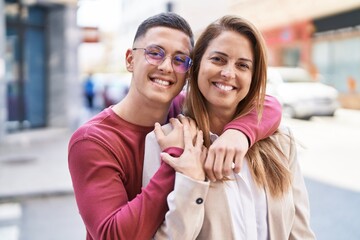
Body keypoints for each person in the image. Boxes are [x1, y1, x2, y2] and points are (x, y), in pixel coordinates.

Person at [68, 13, 282, 239]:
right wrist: (174, 160)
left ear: (189, 72)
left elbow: (268, 104)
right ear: (130, 60)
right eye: (154, 53)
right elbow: (112, 235)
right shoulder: (93, 140)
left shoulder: (182, 108)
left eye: (180, 59)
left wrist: (239, 133)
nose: (166, 67)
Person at [143, 15, 315, 239]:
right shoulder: (164, 142)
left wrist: (240, 133)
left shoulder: (282, 142)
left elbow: (300, 233)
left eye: (242, 65)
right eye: (218, 59)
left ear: (253, 77)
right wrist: (192, 180)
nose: (228, 73)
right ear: (195, 67)